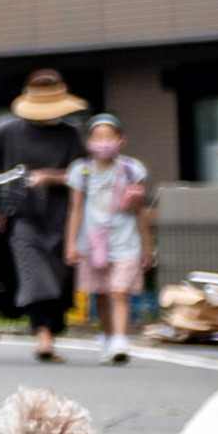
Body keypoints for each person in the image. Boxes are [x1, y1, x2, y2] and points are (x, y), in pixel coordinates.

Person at [0, 70, 89, 361]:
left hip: (64, 217)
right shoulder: (8, 131)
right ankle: (43, 338)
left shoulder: (70, 135)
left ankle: (50, 332)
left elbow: (84, 173)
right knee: (34, 275)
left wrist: (50, 177)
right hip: (23, 215)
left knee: (60, 278)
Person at [67, 104, 151, 366]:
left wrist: (148, 246)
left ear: (121, 140)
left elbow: (141, 212)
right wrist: (71, 243)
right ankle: (107, 336)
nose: (104, 143)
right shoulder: (81, 171)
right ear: (89, 141)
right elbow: (76, 209)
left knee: (119, 291)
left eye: (109, 137)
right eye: (98, 137)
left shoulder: (131, 170)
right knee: (101, 293)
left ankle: (120, 341)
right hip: (93, 242)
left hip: (126, 241)